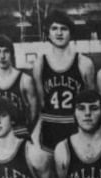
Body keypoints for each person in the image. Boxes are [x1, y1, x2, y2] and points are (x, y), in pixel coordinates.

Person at [33, 10, 95, 153]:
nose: (59, 33)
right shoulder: (39, 64)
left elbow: (92, 104)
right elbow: (41, 104)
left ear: (71, 33)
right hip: (50, 129)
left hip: (75, 129)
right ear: (48, 33)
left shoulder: (84, 63)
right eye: (54, 28)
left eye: (63, 29)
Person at [0, 34, 38, 139]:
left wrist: (27, 131)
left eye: (6, 51)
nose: (2, 56)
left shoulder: (25, 80)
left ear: (12, 54)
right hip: (1, 136)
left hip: (21, 133)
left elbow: (34, 113)